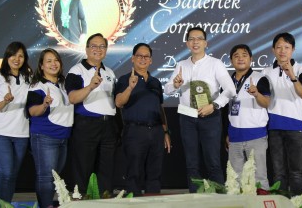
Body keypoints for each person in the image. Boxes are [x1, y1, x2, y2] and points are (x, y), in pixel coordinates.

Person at [164, 26, 235, 192]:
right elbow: (167, 89)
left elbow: (230, 90)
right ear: (187, 43)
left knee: (213, 162)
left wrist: (214, 105)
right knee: (191, 164)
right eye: (191, 39)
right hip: (187, 118)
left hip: (210, 117)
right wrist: (174, 84)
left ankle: (220, 202)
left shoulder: (215, 64)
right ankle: (195, 201)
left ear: (206, 43)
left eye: (199, 39)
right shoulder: (181, 65)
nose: (195, 42)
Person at [115, 43, 171, 196]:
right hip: (134, 131)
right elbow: (119, 102)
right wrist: (130, 88)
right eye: (139, 56)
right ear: (133, 58)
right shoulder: (124, 79)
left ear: (151, 60)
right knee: (133, 173)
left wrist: (165, 131)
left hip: (156, 131)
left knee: (155, 173)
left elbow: (160, 107)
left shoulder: (155, 82)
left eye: (146, 56)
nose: (143, 59)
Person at [65, 33, 118, 196]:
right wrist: (89, 87)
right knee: (83, 170)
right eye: (94, 46)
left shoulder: (109, 72)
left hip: (108, 126)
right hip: (86, 125)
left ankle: (105, 201)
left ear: (106, 50)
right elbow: (72, 98)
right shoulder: (76, 70)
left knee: (106, 171)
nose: (98, 49)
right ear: (87, 49)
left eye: (102, 46)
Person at [261, 32, 302, 196]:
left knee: (296, 171)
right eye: (279, 47)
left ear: (293, 49)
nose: (283, 51)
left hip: (295, 127)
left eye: (287, 47)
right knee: (278, 172)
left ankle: (296, 204)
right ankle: (280, 203)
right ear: (273, 49)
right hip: (274, 127)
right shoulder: (266, 72)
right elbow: (263, 99)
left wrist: (292, 77)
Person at [0, 42, 32, 203]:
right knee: (5, 172)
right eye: (13, 55)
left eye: (21, 56)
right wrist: (5, 101)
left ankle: (6, 205)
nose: (17, 59)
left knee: (12, 174)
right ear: (7, 56)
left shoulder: (29, 78)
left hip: (21, 133)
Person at [26, 48, 73, 208]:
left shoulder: (63, 83)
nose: (54, 64)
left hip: (63, 137)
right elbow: (32, 111)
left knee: (55, 178)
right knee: (46, 177)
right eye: (49, 61)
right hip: (45, 137)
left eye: (56, 60)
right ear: (41, 66)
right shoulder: (37, 86)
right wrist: (44, 104)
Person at [226, 44, 271, 190]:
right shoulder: (227, 81)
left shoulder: (259, 78)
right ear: (231, 60)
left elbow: (266, 103)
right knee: (235, 178)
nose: (240, 58)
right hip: (234, 136)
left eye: (244, 55)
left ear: (251, 59)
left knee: (259, 177)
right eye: (236, 55)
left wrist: (256, 94)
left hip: (255, 136)